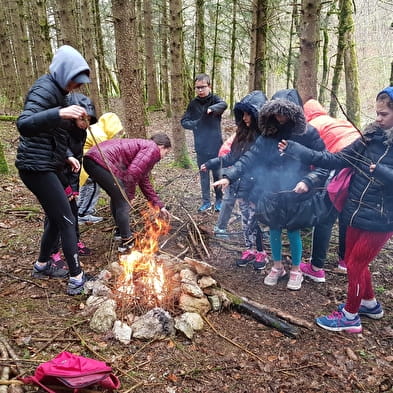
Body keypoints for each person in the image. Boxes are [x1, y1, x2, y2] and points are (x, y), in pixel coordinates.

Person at [278, 86, 393, 333]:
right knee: (354, 262)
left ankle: (351, 316)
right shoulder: (370, 137)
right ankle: (370, 304)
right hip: (354, 212)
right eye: (377, 113)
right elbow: (337, 159)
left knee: (355, 264)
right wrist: (299, 151)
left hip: (381, 218)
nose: (378, 119)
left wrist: (381, 171)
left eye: (384, 114)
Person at [214, 89, 327, 290]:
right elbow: (249, 159)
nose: (280, 117)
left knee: (293, 231)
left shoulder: (307, 133)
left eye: (284, 112)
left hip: (297, 190)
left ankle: (295, 270)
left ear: (294, 113)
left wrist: (309, 181)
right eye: (276, 112)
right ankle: (277, 267)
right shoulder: (268, 135)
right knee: (274, 229)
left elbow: (323, 162)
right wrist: (229, 176)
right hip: (271, 190)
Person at [15, 45, 93, 295]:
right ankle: (77, 278)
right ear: (63, 73)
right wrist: (58, 112)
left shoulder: (62, 93)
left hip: (50, 164)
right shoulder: (44, 89)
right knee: (67, 218)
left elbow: (56, 135)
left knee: (57, 218)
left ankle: (42, 264)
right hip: (36, 168)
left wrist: (69, 155)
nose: (76, 87)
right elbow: (24, 125)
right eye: (74, 81)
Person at [201, 90, 269, 270]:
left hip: (258, 185)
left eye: (249, 114)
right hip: (242, 183)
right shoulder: (242, 134)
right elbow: (233, 157)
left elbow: (253, 161)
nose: (245, 118)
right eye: (243, 114)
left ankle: (262, 253)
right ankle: (250, 250)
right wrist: (211, 163)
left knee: (256, 219)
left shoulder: (264, 137)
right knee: (246, 219)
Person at [300, 99, 361, 282]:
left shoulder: (311, 125)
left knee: (325, 215)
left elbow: (314, 159)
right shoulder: (337, 121)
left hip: (342, 163)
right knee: (346, 213)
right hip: (364, 164)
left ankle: (316, 267)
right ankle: (344, 261)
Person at [83, 133, 171, 252]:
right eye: (166, 153)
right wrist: (130, 195)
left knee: (118, 197)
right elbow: (132, 174)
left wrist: (160, 206)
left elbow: (144, 182)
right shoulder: (152, 148)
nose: (163, 157)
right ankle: (127, 242)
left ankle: (120, 232)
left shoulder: (144, 150)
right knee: (123, 200)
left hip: (92, 160)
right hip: (100, 160)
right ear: (161, 146)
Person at [47, 92, 97, 266]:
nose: (86, 124)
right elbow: (56, 156)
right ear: (74, 117)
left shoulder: (81, 134)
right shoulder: (59, 129)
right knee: (54, 215)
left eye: (89, 120)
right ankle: (52, 252)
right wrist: (66, 185)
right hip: (52, 178)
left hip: (68, 178)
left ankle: (75, 243)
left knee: (72, 212)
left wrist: (74, 188)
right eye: (83, 119)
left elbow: (78, 160)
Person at [181, 73, 228, 212]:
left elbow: (224, 104)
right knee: (203, 175)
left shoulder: (215, 99)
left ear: (209, 86)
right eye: (197, 88)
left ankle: (219, 200)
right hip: (201, 146)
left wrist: (212, 109)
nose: (200, 90)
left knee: (217, 174)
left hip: (216, 146)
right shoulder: (193, 104)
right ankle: (206, 202)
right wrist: (196, 124)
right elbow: (184, 122)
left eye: (202, 87)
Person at [78, 112, 124, 224]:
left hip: (82, 162)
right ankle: (85, 214)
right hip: (88, 165)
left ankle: (80, 210)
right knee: (92, 188)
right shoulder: (100, 135)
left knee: (86, 188)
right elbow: (105, 155)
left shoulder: (96, 129)